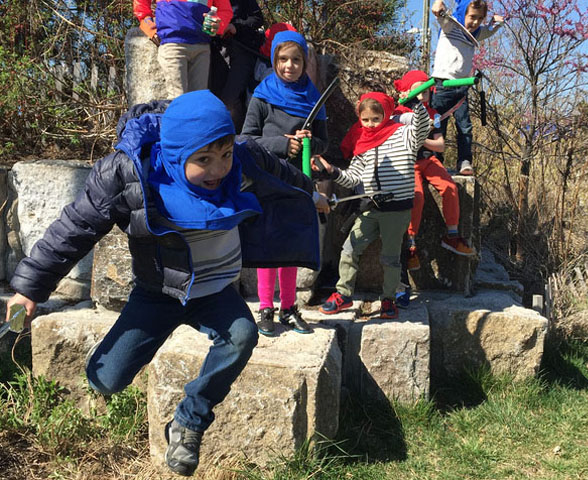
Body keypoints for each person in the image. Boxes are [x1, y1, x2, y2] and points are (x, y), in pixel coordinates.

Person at [3, 90, 327, 477]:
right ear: (175, 154)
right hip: (158, 292)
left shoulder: (242, 155)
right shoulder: (128, 173)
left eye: (223, 155)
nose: (218, 169)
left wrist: (312, 193)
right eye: (203, 160)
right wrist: (29, 289)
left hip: (216, 291)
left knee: (243, 335)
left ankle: (189, 421)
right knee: (104, 381)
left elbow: (281, 172)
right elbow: (74, 228)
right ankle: (117, 366)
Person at [241, 30, 329, 336]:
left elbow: (324, 143)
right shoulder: (262, 96)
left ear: (304, 62)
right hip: (268, 178)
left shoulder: (314, 99)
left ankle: (289, 308)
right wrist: (282, 145)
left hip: (299, 181)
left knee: (290, 243)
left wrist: (309, 143)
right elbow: (247, 139)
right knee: (269, 245)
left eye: (296, 60)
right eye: (283, 59)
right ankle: (265, 307)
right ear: (274, 60)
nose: (289, 65)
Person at [315, 91, 432, 319]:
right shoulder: (363, 143)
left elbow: (422, 127)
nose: (370, 124)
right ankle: (343, 294)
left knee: (390, 257)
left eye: (375, 119)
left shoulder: (404, 135)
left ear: (386, 115)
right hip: (370, 208)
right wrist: (332, 172)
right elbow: (353, 177)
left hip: (396, 212)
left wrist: (416, 103)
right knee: (350, 248)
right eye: (365, 119)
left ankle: (388, 299)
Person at [392, 70, 476, 307]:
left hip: (429, 159)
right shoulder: (399, 112)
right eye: (420, 89)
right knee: (416, 196)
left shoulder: (434, 114)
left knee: (449, 187)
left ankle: (451, 234)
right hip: (408, 161)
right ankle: (411, 245)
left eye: (427, 89)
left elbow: (439, 145)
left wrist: (422, 138)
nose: (425, 94)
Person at [430, 0, 503, 175]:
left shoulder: (475, 34)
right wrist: (438, 5)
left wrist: (497, 22)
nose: (475, 22)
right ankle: (434, 161)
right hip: (442, 85)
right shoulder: (450, 27)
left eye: (480, 18)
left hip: (461, 87)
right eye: (472, 17)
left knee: (465, 127)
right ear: (462, 13)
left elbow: (489, 31)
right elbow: (438, 11)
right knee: (439, 124)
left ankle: (464, 161)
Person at [134, 0, 234, 99]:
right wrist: (148, 25)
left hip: (202, 46)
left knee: (199, 99)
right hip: (173, 44)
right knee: (177, 98)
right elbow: (141, 4)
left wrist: (218, 25)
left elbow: (225, 10)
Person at [208, 0, 265, 132]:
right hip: (214, 51)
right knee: (214, 99)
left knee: (230, 98)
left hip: (242, 49)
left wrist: (235, 27)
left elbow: (257, 19)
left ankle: (235, 138)